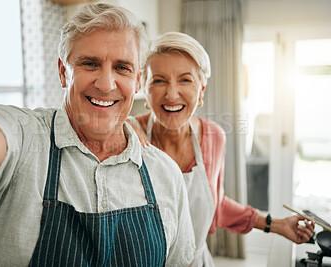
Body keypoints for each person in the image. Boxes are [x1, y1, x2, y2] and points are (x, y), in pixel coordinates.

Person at [0, 4, 196, 266]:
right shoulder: (25, 138)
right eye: (90, 64)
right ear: (62, 72)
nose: (106, 84)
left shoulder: (166, 175)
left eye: (122, 67)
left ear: (137, 80)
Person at [127, 31, 314, 267]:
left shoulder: (213, 137)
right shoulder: (126, 136)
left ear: (201, 91)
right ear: (144, 87)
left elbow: (216, 204)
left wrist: (277, 224)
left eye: (185, 80)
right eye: (159, 80)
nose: (172, 94)